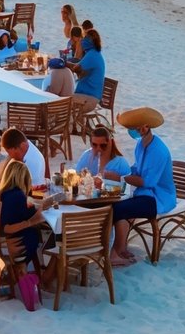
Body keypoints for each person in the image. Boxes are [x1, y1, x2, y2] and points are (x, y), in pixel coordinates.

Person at [110, 107, 176, 267]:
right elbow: (137, 169)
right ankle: (121, 248)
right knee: (116, 205)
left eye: (143, 126)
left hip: (157, 197)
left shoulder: (158, 150)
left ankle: (114, 253)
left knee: (118, 210)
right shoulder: (140, 144)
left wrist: (121, 177)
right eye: (136, 127)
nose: (140, 130)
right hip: (144, 193)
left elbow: (147, 182)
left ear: (149, 126)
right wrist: (120, 172)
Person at [0, 160, 48, 265]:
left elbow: (30, 194)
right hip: (22, 243)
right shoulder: (18, 197)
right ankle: (45, 275)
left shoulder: (7, 194)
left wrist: (39, 195)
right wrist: (31, 221)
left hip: (15, 239)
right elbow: (6, 228)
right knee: (52, 237)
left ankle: (45, 274)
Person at [0, 126, 46, 196]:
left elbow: (34, 194)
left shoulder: (31, 163)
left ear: (22, 146)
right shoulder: (26, 146)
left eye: (12, 153)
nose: (12, 156)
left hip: (32, 197)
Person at [69, 28, 105, 120]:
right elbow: (79, 69)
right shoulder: (95, 53)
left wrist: (62, 63)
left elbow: (76, 68)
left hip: (89, 98)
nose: (83, 40)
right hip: (92, 96)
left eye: (85, 37)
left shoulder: (92, 55)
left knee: (61, 101)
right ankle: (74, 127)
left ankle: (64, 130)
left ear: (90, 41)